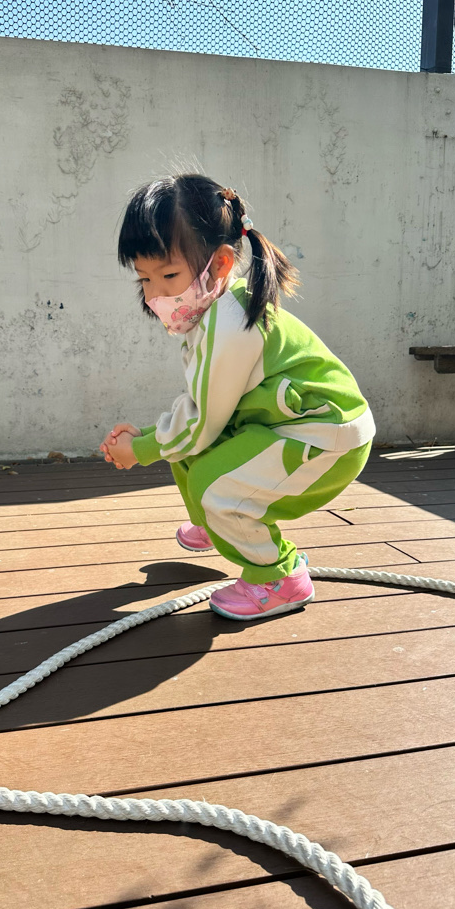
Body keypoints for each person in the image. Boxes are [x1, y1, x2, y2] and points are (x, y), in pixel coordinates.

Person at [100, 173, 375, 621]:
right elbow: (205, 409)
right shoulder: (214, 313)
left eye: (168, 275)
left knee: (215, 487)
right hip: (287, 423)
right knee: (188, 453)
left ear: (221, 264)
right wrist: (148, 436)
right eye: (144, 279)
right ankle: (220, 524)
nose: (155, 294)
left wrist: (140, 449)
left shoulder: (229, 327)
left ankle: (278, 577)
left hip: (326, 436)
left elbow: (201, 424)